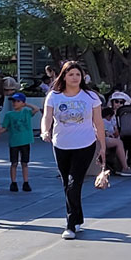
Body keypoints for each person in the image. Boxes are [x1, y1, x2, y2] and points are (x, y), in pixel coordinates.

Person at [41, 61, 107, 239]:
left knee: (73, 182)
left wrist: (102, 147)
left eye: (78, 74)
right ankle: (78, 217)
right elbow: (47, 117)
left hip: (85, 144)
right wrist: (45, 131)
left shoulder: (91, 96)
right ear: (64, 76)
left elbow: (98, 123)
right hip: (61, 144)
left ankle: (70, 224)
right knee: (66, 184)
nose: (75, 77)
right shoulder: (54, 96)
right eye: (71, 74)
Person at [0, 92, 41, 191]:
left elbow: (36, 109)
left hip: (25, 141)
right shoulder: (9, 114)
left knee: (24, 163)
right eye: (14, 101)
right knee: (14, 163)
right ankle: (13, 182)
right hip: (14, 141)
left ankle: (25, 182)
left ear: (22, 103)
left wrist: (26, 104)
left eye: (17, 101)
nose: (15, 103)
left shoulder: (26, 112)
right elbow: (5, 127)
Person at [99, 103, 131, 177]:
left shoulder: (112, 120)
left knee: (120, 141)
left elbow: (116, 133)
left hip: (108, 137)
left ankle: (121, 166)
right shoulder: (103, 121)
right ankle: (125, 168)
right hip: (100, 138)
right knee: (119, 142)